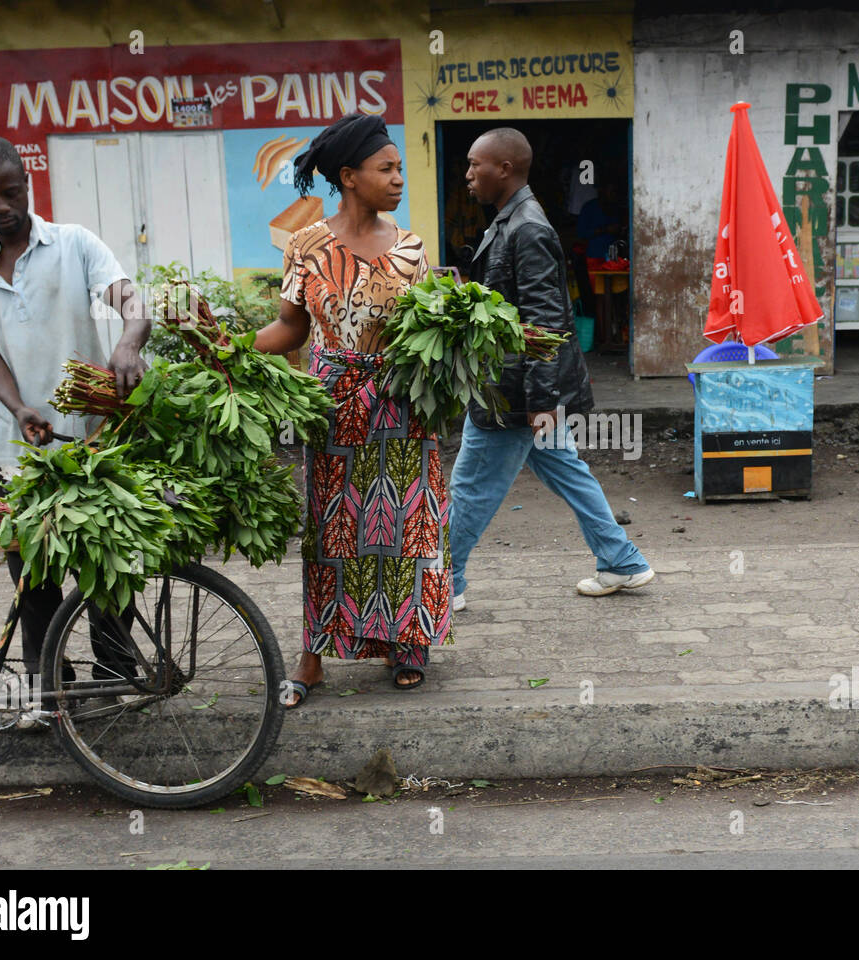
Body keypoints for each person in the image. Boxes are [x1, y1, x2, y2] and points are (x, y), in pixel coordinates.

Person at [252, 113, 452, 704]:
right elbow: (290, 329)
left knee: (404, 521)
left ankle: (405, 642)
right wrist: (230, 350)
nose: (398, 179)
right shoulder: (309, 245)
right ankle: (313, 656)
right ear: (348, 176)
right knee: (333, 527)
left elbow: (426, 334)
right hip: (334, 403)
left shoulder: (411, 248)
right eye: (385, 169)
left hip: (401, 403)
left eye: (398, 169)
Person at [0, 135, 149, 684]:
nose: (1, 208)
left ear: (27, 185)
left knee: (109, 561)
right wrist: (17, 406)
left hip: (92, 436)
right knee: (32, 569)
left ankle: (113, 671)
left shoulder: (74, 244)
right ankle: (48, 683)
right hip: (14, 441)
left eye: (11, 193)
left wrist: (129, 341)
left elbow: (129, 296)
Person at [449, 127, 652, 609]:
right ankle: (621, 561)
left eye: (476, 164)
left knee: (471, 485)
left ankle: (443, 582)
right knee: (566, 468)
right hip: (523, 388)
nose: (468, 174)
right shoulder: (509, 221)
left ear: (505, 168)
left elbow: (545, 325)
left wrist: (541, 404)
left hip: (514, 394)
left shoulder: (528, 228)